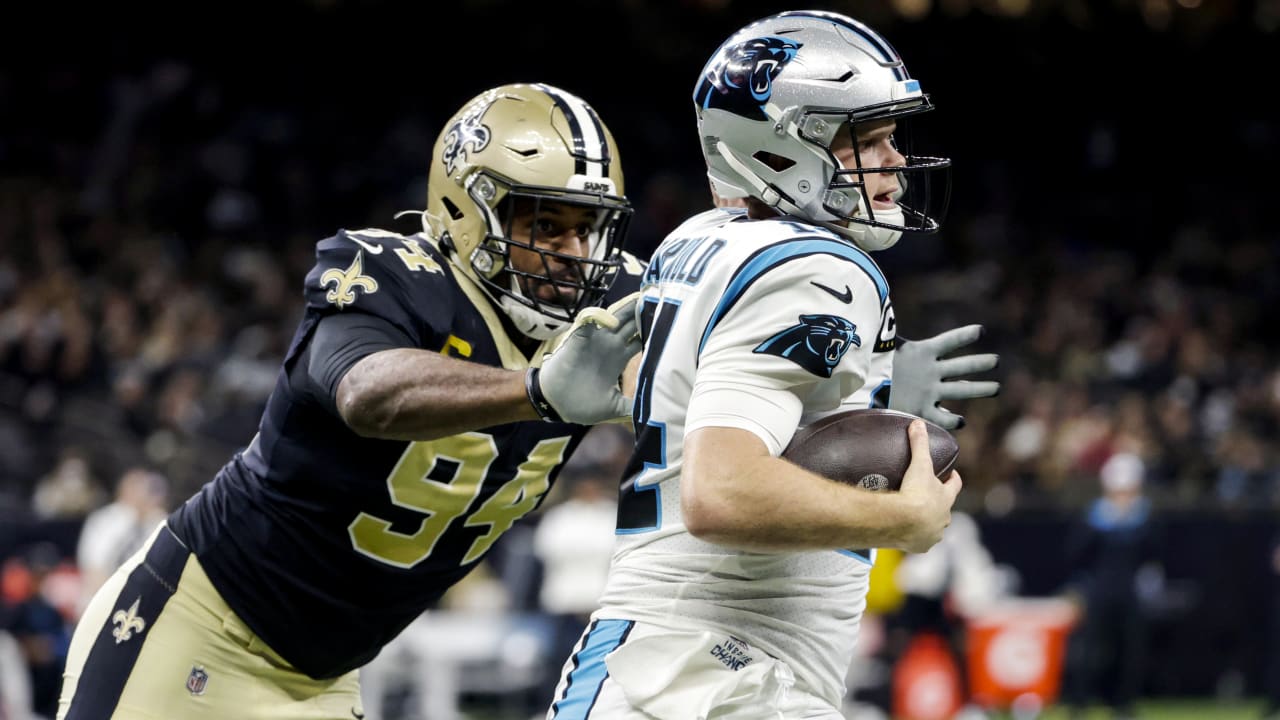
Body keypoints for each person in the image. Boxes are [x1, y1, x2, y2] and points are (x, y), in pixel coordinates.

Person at [57, 82, 645, 720]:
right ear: (470, 211)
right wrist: (536, 390)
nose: (573, 254)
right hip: (200, 624)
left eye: (587, 228)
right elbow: (365, 392)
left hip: (324, 678)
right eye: (545, 226)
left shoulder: (613, 307)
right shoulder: (392, 273)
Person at [546, 11, 998, 720]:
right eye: (866, 140)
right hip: (714, 674)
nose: (893, 164)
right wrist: (898, 518)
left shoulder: (699, 240)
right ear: (780, 149)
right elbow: (720, 493)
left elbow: (674, 396)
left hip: (660, 662)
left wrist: (853, 388)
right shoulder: (818, 268)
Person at [1061, 452, 1161, 720]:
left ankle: (1123, 704)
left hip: (1130, 593)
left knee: (1129, 651)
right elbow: (1076, 554)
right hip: (1099, 592)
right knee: (1091, 650)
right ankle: (1080, 703)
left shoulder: (1144, 519)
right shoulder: (1094, 518)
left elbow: (1154, 554)